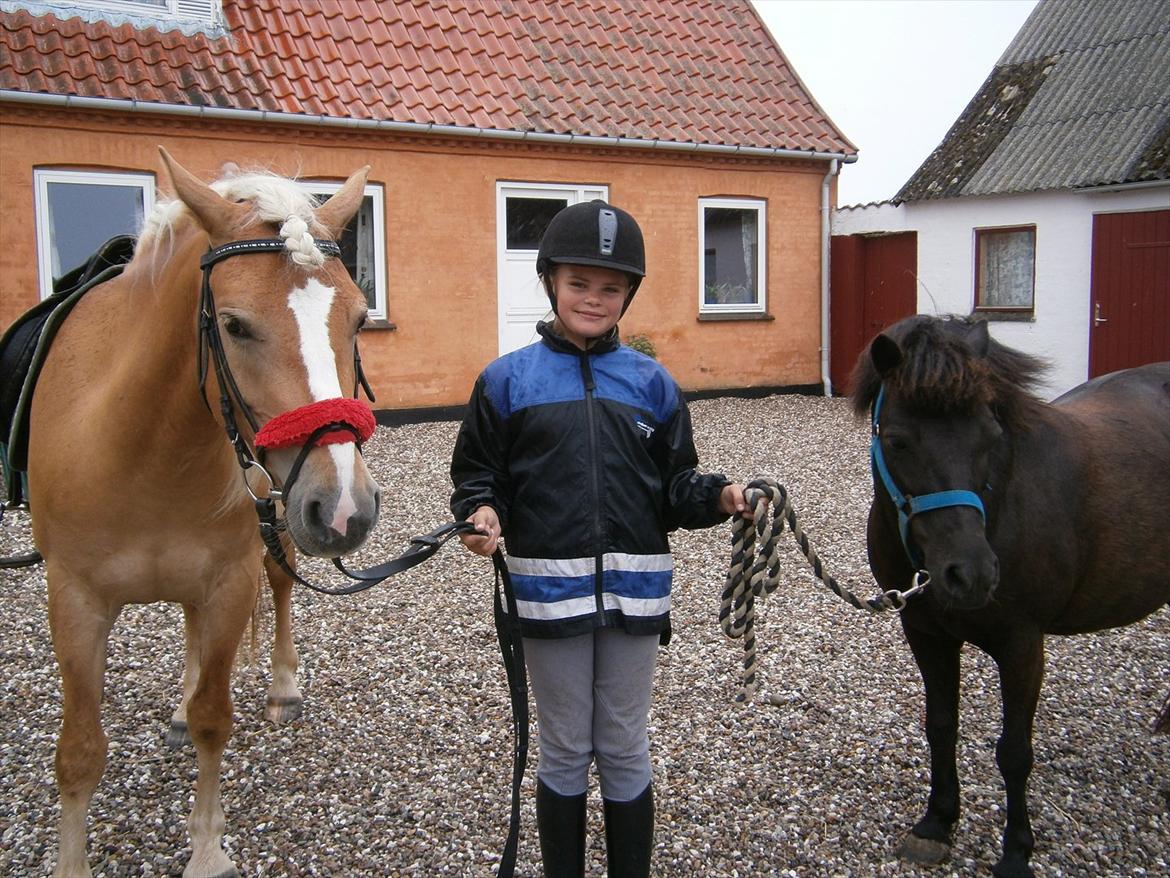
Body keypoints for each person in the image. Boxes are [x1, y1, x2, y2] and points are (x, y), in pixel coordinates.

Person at [450, 200, 753, 878]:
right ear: (551, 282)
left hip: (637, 599)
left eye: (609, 287)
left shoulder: (651, 383)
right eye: (579, 283)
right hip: (547, 598)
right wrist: (482, 513)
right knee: (563, 748)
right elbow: (478, 475)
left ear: (628, 295)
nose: (593, 298)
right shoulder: (505, 382)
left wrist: (722, 496)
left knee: (622, 745)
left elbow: (676, 486)